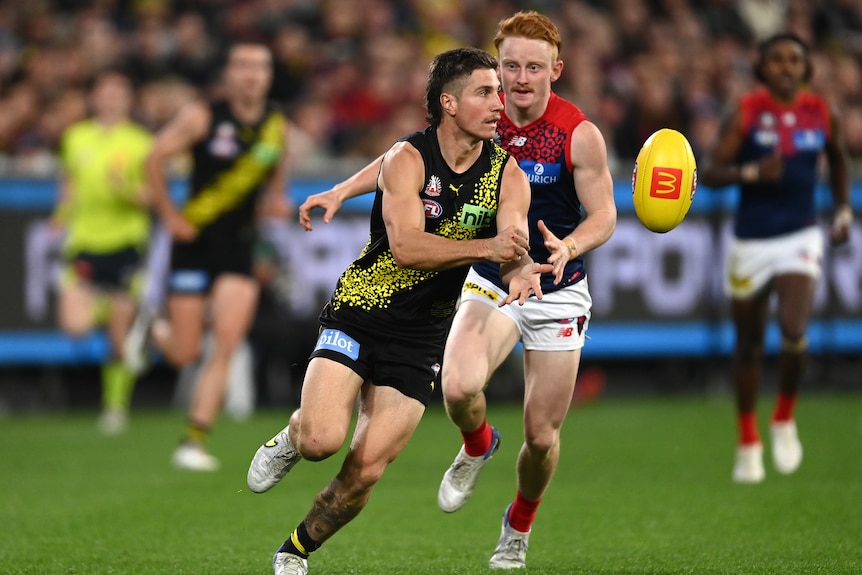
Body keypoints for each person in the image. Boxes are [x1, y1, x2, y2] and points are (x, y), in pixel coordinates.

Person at [297, 11, 617, 570]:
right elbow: (408, 154)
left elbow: (606, 215)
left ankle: (518, 524)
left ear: (555, 71)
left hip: (557, 288)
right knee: (459, 388)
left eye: (533, 67)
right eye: (510, 65)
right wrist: (344, 189)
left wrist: (568, 247)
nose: (519, 78)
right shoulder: (483, 113)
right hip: (492, 275)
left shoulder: (578, 134)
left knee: (541, 437)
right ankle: (476, 445)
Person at [246, 47, 563, 575]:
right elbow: (407, 248)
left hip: (422, 336)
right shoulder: (407, 159)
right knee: (322, 440)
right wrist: (488, 251)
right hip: (361, 310)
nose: (498, 103)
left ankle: (295, 551)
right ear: (449, 103)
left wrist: (521, 268)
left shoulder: (509, 177)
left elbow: (511, 248)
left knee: (367, 469)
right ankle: (293, 436)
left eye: (499, 93)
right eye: (485, 92)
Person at [123, 41, 292, 471]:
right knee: (184, 352)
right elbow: (154, 158)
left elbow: (276, 175)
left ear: (268, 76)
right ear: (230, 75)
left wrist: (275, 200)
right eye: (243, 66)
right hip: (194, 242)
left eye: (260, 67)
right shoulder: (203, 116)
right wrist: (169, 216)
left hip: (239, 243)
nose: (252, 74)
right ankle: (152, 330)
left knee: (226, 343)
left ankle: (194, 439)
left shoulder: (275, 125)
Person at [700, 32, 853, 484]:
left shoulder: (822, 111)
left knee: (793, 328)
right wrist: (751, 171)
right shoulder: (746, 111)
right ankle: (748, 439)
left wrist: (842, 209)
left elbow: (840, 161)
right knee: (747, 344)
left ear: (806, 69)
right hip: (751, 241)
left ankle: (783, 416)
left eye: (795, 60)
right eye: (778, 60)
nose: (787, 67)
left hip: (800, 235)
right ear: (762, 68)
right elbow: (709, 172)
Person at [52, 68, 153, 435]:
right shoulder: (75, 137)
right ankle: (120, 312)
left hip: (126, 242)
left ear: (128, 100)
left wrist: (125, 189)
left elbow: (152, 198)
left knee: (117, 336)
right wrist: (59, 216)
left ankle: (114, 407)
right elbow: (68, 184)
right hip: (84, 242)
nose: (111, 99)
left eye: (118, 93)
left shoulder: (142, 142)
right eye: (105, 93)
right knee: (75, 325)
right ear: (94, 98)